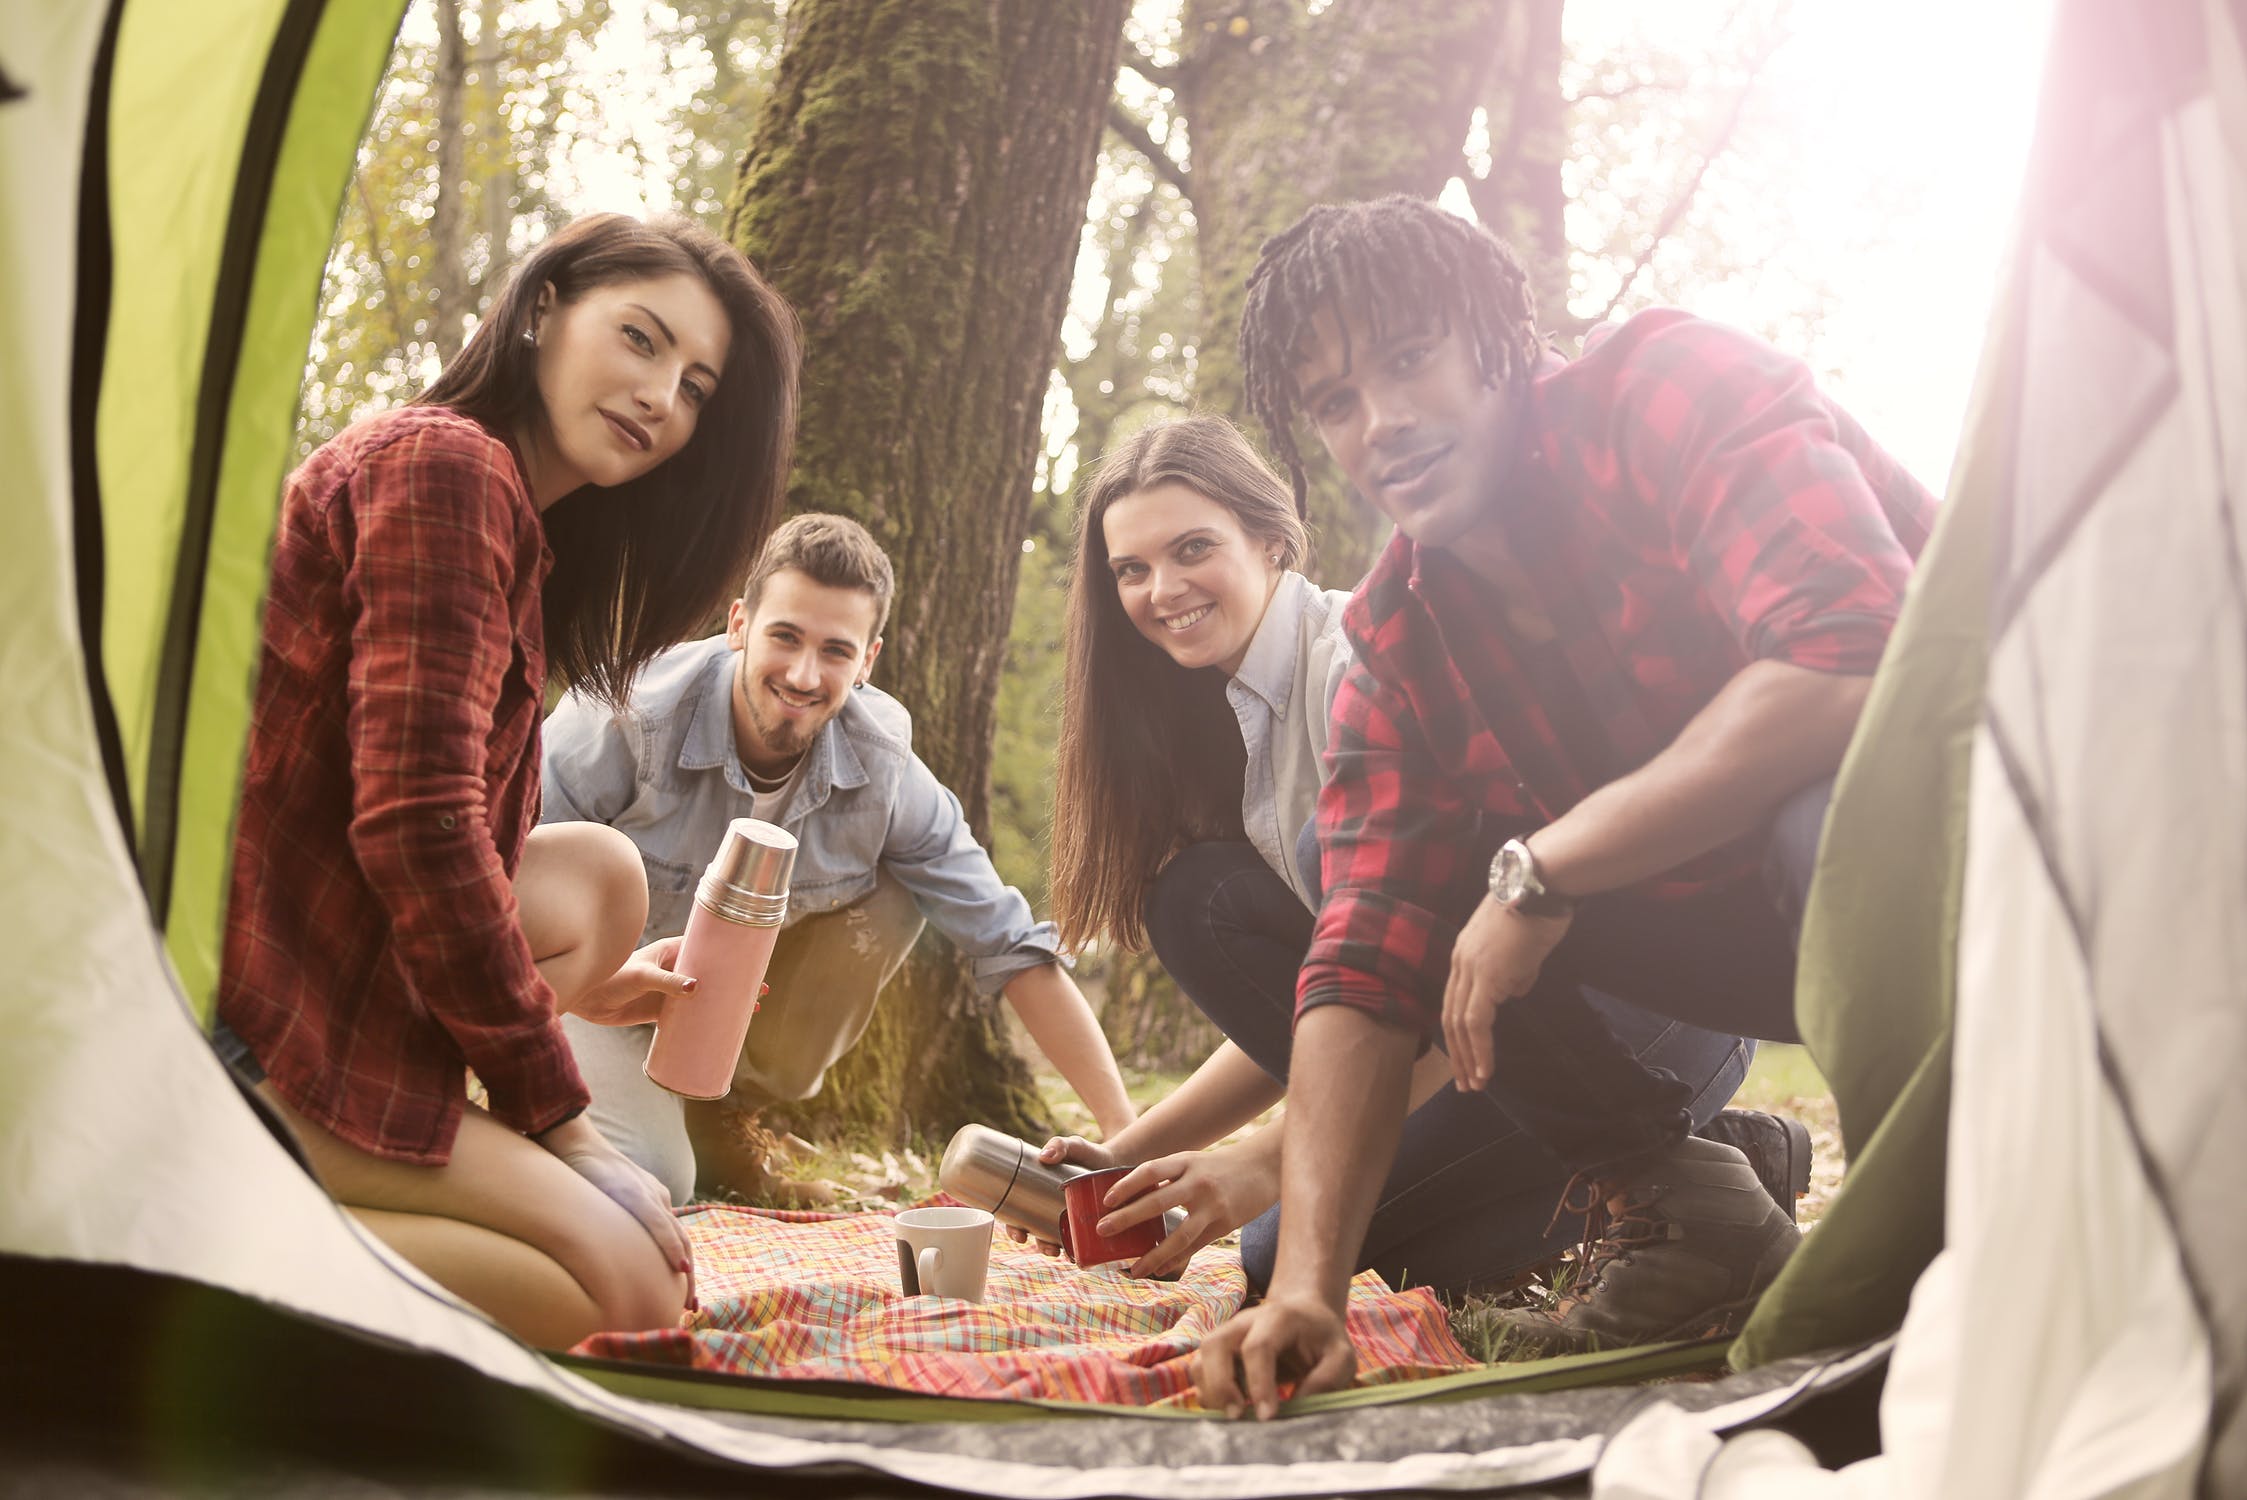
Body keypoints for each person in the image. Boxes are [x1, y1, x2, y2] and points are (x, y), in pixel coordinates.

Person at [1193, 196, 1936, 1417]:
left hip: (2000, 861)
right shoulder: (1397, 635)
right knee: (1351, 867)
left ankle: (1952, 1234)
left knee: (1825, 817)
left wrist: (1542, 870)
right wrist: (1310, 1297)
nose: (1382, 423)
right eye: (1335, 401)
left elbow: (1853, 657)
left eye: (1408, 358)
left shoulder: (1668, 387)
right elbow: (1364, 969)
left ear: (1493, 335)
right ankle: (1689, 1213)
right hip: (1742, 931)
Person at [212, 214, 802, 1350]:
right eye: (640, 338)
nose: (659, 396)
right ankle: (197, 1226)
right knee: (626, 1291)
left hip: (337, 964)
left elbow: (441, 838)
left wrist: (580, 997)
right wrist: (562, 1120)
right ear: (544, 310)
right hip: (260, 1016)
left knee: (599, 875)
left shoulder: (511, 520)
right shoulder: (446, 470)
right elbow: (419, 830)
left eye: (693, 387)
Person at [1040, 413, 1781, 1299]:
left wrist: (1267, 1162)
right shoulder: (1242, 719)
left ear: (1274, 539)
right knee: (1198, 899)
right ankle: (1712, 1157)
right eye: (1132, 568)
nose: (1163, 588)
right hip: (1485, 1026)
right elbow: (1343, 989)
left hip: (1624, 1012)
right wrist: (1131, 1154)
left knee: (1287, 1253)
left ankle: (1698, 1167)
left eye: (1192, 548)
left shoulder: (1360, 664)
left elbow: (1446, 962)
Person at [541, 512, 1137, 1206]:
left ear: (868, 661)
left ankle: (724, 1111)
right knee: (646, 1185)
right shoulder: (621, 720)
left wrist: (1124, 1130)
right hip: (593, 998)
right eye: (785, 637)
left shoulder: (884, 767)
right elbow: (505, 896)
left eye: (834, 651)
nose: (802, 674)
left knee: (905, 889)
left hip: (740, 1027)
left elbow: (1008, 942)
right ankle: (631, 1125)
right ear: (739, 625)